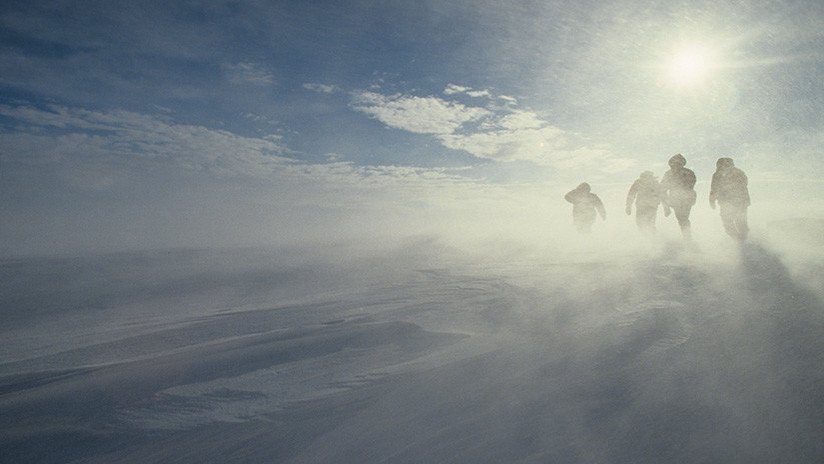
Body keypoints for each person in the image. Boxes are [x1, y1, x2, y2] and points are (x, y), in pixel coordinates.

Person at [709, 157, 750, 241]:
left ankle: (741, 241)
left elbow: (714, 189)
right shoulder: (738, 172)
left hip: (731, 202)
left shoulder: (718, 174)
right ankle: (742, 240)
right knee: (738, 222)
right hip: (736, 202)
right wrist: (712, 200)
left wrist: (712, 200)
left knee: (733, 222)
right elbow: (714, 189)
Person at [660, 153, 697, 239]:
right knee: (682, 219)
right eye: (673, 164)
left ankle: (687, 237)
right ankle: (687, 237)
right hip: (677, 198)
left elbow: (690, 185)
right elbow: (662, 189)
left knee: (683, 218)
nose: (675, 166)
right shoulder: (669, 173)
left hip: (685, 198)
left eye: (677, 164)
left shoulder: (688, 172)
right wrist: (666, 206)